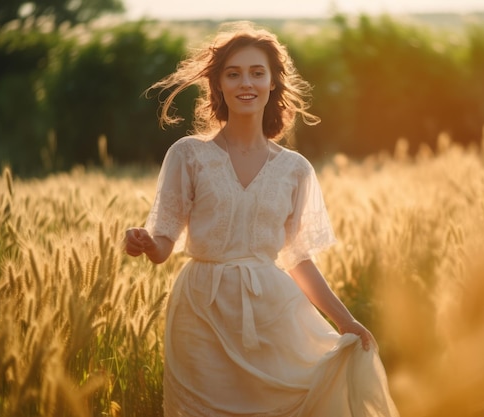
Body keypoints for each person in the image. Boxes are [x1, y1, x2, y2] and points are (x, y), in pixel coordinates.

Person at [123, 21, 399, 417]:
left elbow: (298, 258)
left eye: (256, 72)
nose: (245, 83)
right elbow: (163, 244)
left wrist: (346, 321)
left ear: (273, 83)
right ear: (217, 84)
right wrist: (147, 242)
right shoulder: (188, 155)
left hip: (271, 311)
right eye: (233, 74)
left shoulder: (295, 169)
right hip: (200, 310)